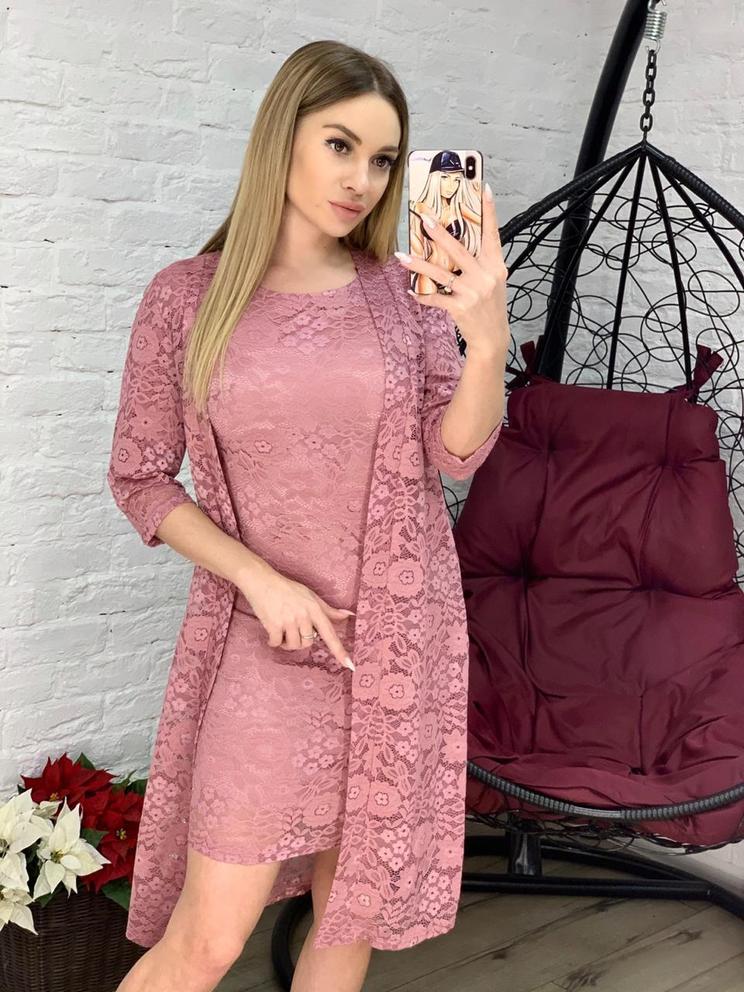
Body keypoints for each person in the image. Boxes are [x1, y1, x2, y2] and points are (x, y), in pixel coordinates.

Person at [110, 38, 509, 992]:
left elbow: (456, 452)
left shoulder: (404, 299)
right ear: (280, 137)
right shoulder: (188, 298)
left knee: (344, 922)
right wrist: (259, 579)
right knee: (205, 941)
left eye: (383, 159)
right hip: (264, 644)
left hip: (395, 648)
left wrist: (487, 333)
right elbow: (140, 478)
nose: (362, 180)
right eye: (340, 145)